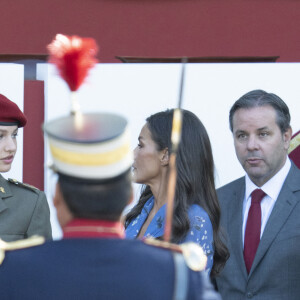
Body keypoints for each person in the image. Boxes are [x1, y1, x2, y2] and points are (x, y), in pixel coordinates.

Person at [0, 108, 221, 300]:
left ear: (57, 199)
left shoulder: (13, 269)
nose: (134, 154)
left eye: (140, 146)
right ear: (128, 198)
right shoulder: (179, 271)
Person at [215, 89, 300, 299]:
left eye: (263, 134)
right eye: (242, 135)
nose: (251, 145)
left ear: (286, 136)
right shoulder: (216, 201)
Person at [125, 109, 229, 278]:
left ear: (165, 155)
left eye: (141, 145)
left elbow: (188, 289)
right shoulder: (141, 210)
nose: (133, 154)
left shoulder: (194, 221)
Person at [0, 93, 52, 241]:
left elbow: (41, 263)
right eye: (0, 136)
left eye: (14, 135)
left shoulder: (29, 204)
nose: (11, 147)